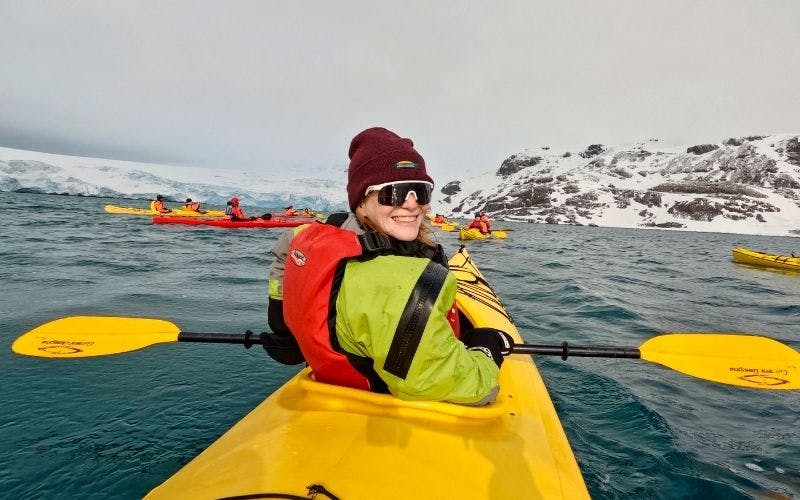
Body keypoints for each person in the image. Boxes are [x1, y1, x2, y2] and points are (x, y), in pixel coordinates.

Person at [263, 127, 511, 405]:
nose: (411, 205)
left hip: (330, 383)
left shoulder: (318, 233)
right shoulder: (395, 284)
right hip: (379, 403)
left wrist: (282, 320)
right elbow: (472, 389)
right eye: (393, 193)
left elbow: (289, 246)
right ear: (361, 202)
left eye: (420, 191)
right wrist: (486, 350)